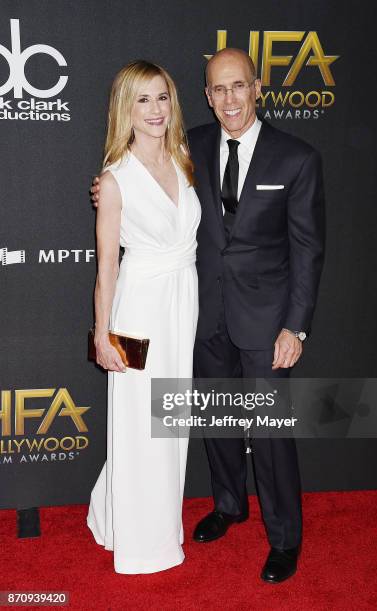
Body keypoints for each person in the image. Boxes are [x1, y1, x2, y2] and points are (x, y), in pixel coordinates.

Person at [91, 48, 325, 584]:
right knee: (212, 420)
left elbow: (309, 249)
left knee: (268, 430)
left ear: (258, 87)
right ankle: (228, 504)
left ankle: (284, 538)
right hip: (192, 314)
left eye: (238, 86)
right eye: (218, 90)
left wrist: (297, 325)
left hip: (265, 320)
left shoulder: (296, 158)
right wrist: (108, 191)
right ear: (205, 96)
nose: (229, 99)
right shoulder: (186, 144)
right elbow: (128, 186)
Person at [87, 60, 201, 574]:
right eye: (143, 100)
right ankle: (142, 540)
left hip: (182, 305)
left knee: (169, 420)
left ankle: (122, 515)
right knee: (140, 424)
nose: (156, 110)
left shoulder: (183, 158)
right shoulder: (114, 181)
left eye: (163, 97)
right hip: (137, 312)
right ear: (125, 109)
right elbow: (107, 267)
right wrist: (101, 333)